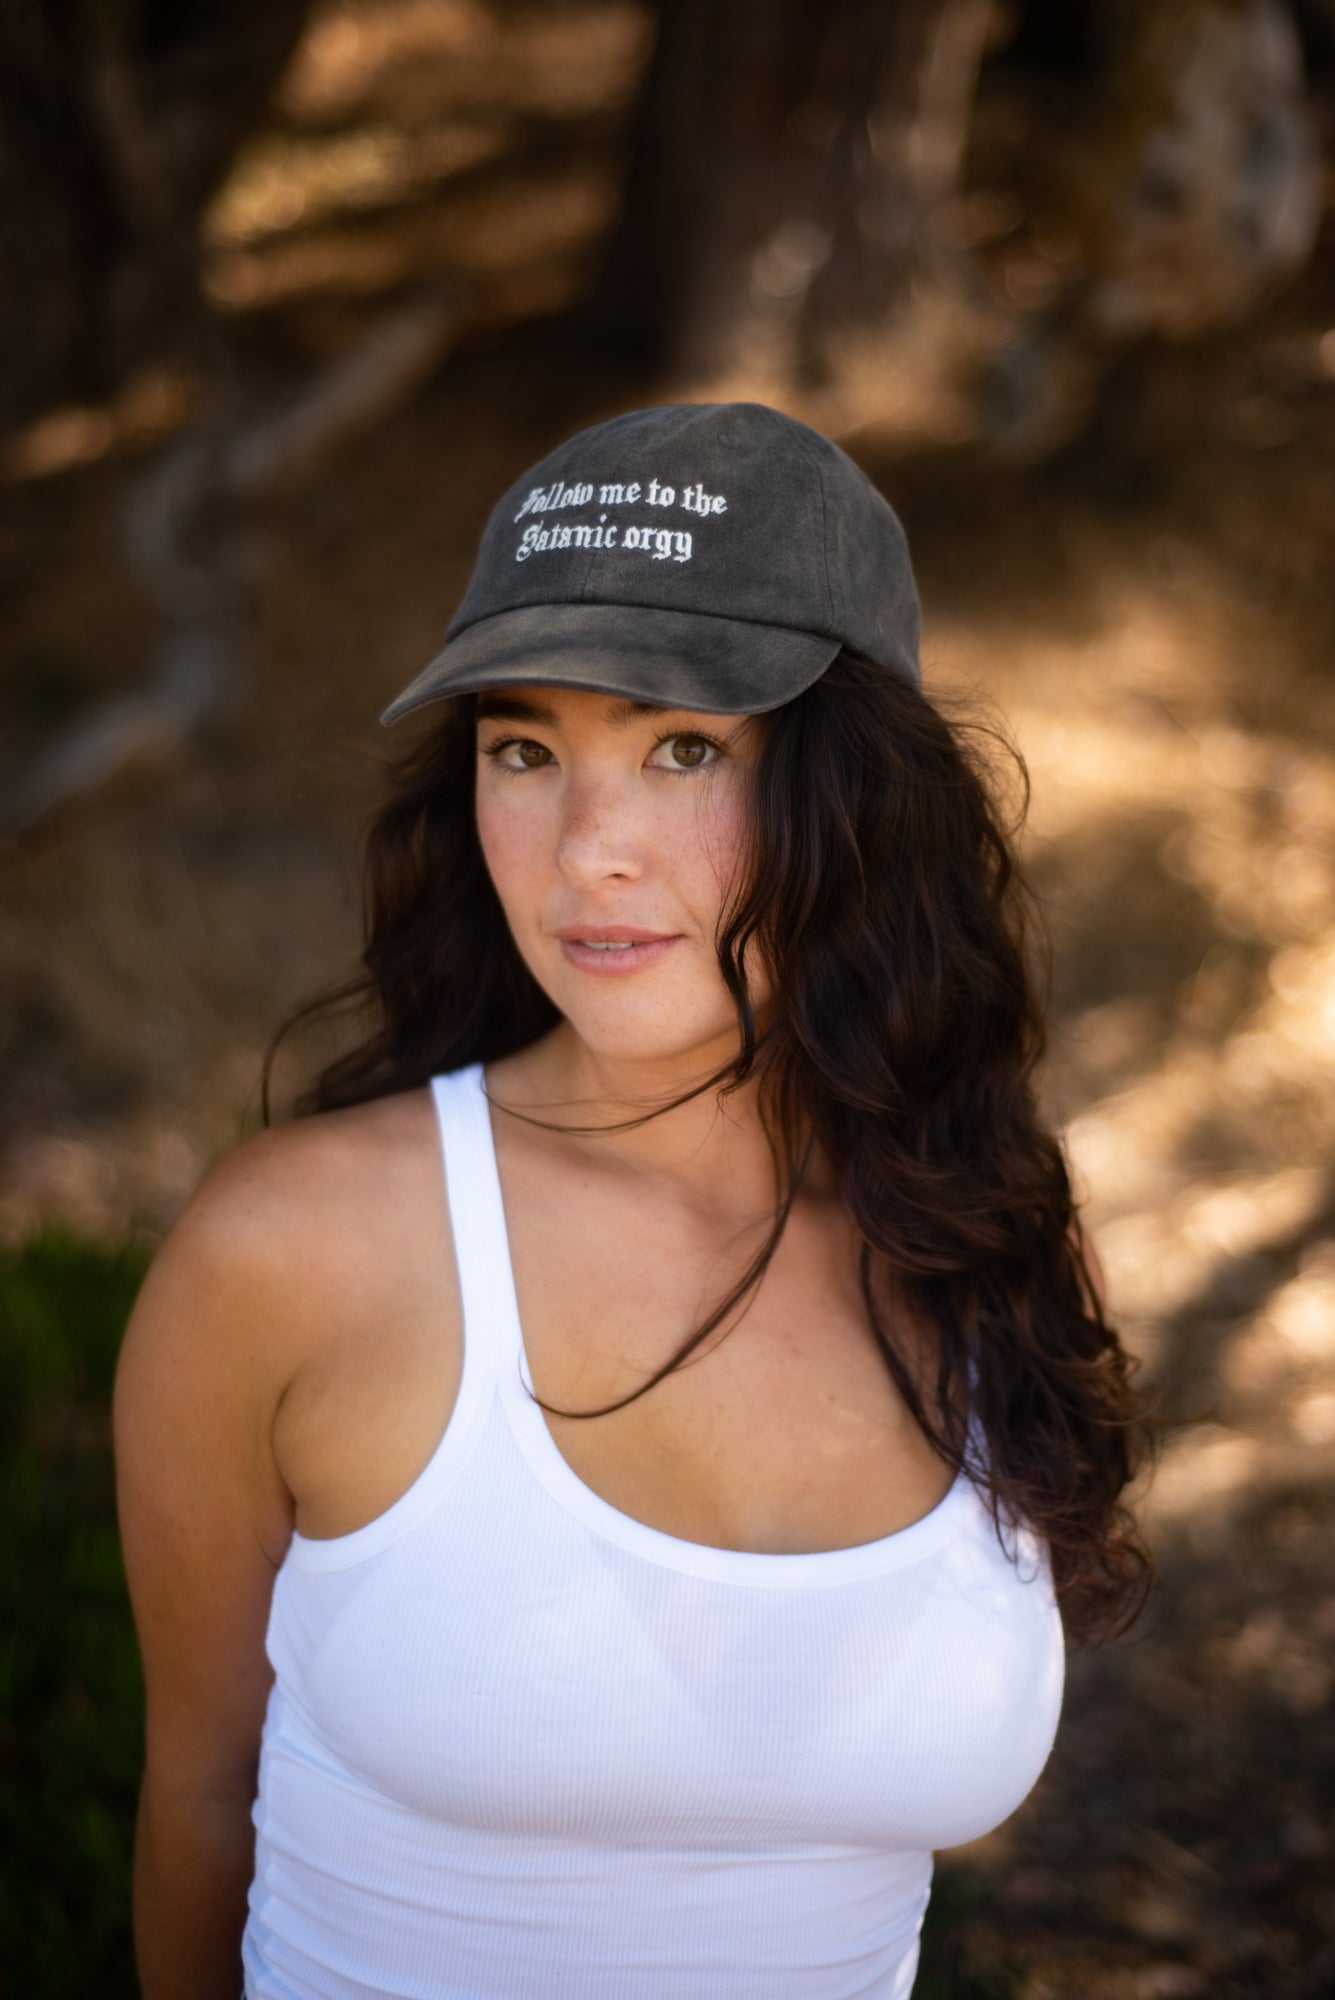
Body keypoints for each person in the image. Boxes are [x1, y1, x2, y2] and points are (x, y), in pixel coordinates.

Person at [114, 400, 1151, 2000]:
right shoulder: (296, 1253)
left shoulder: (991, 1244)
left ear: (862, 794)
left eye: (683, 749)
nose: (587, 850)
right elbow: (199, 1792)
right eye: (523, 750)